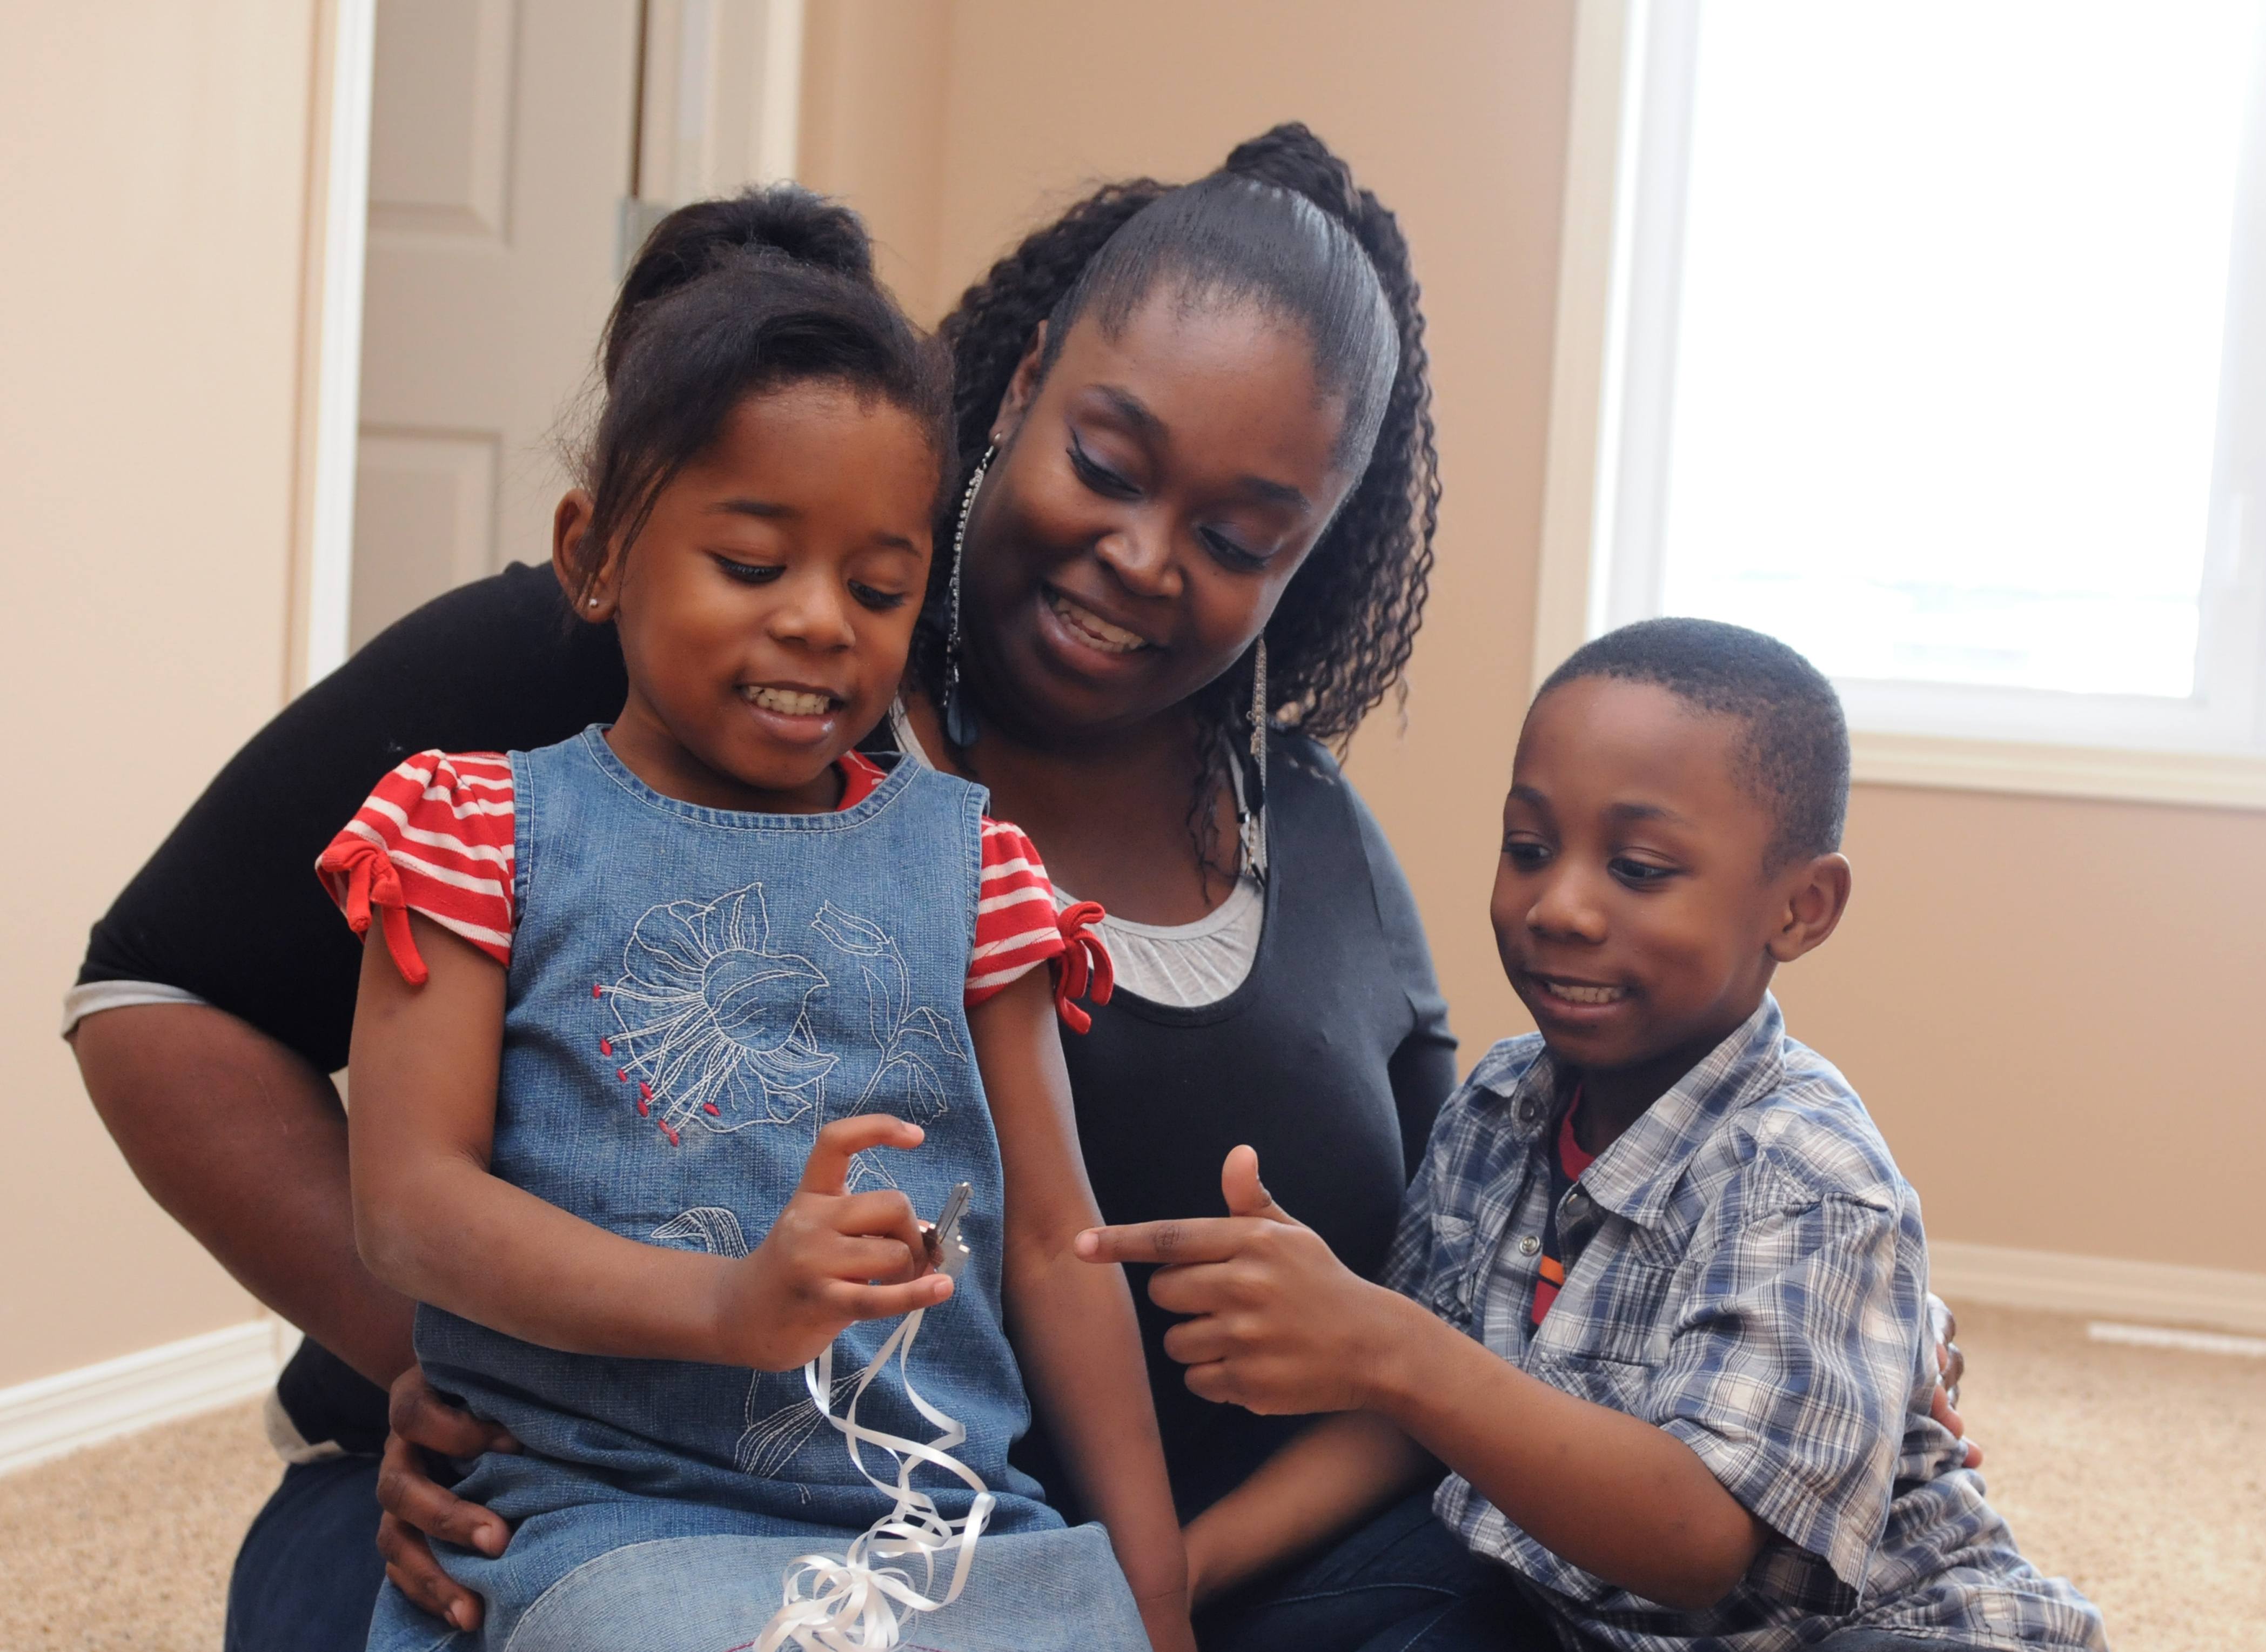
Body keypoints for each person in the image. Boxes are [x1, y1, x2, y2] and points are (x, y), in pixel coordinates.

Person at [66, 124, 1472, 1649]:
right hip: (557, 1507)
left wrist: (1156, 1584)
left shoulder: (1239, 843)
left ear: (1310, 553)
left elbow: (1394, 1297)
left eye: (1236, 535)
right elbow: (165, 997)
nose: (1143, 556)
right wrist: (471, 1377)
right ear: (1023, 391)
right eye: (1107, 464)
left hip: (963, 1530)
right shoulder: (593, 677)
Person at [316, 185, 1190, 1651]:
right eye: (750, 563)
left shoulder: (977, 873)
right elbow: (408, 1208)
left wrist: (1151, 1589)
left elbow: (1055, 1241)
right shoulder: (480, 834)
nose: (818, 621)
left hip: (936, 1523)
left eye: (879, 583)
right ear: (595, 554)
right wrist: (729, 1307)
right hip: (606, 1517)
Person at [1078, 619, 2103, 1652]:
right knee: (1357, 1596)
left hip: (1878, 1631)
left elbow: (1698, 1541)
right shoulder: (1496, 1106)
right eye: (1529, 849)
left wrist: (1390, 1347)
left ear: (1801, 908)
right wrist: (1181, 1571)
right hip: (1579, 1612)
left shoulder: (1811, 1176)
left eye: (1641, 868)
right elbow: (1408, 1420)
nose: (1560, 906)